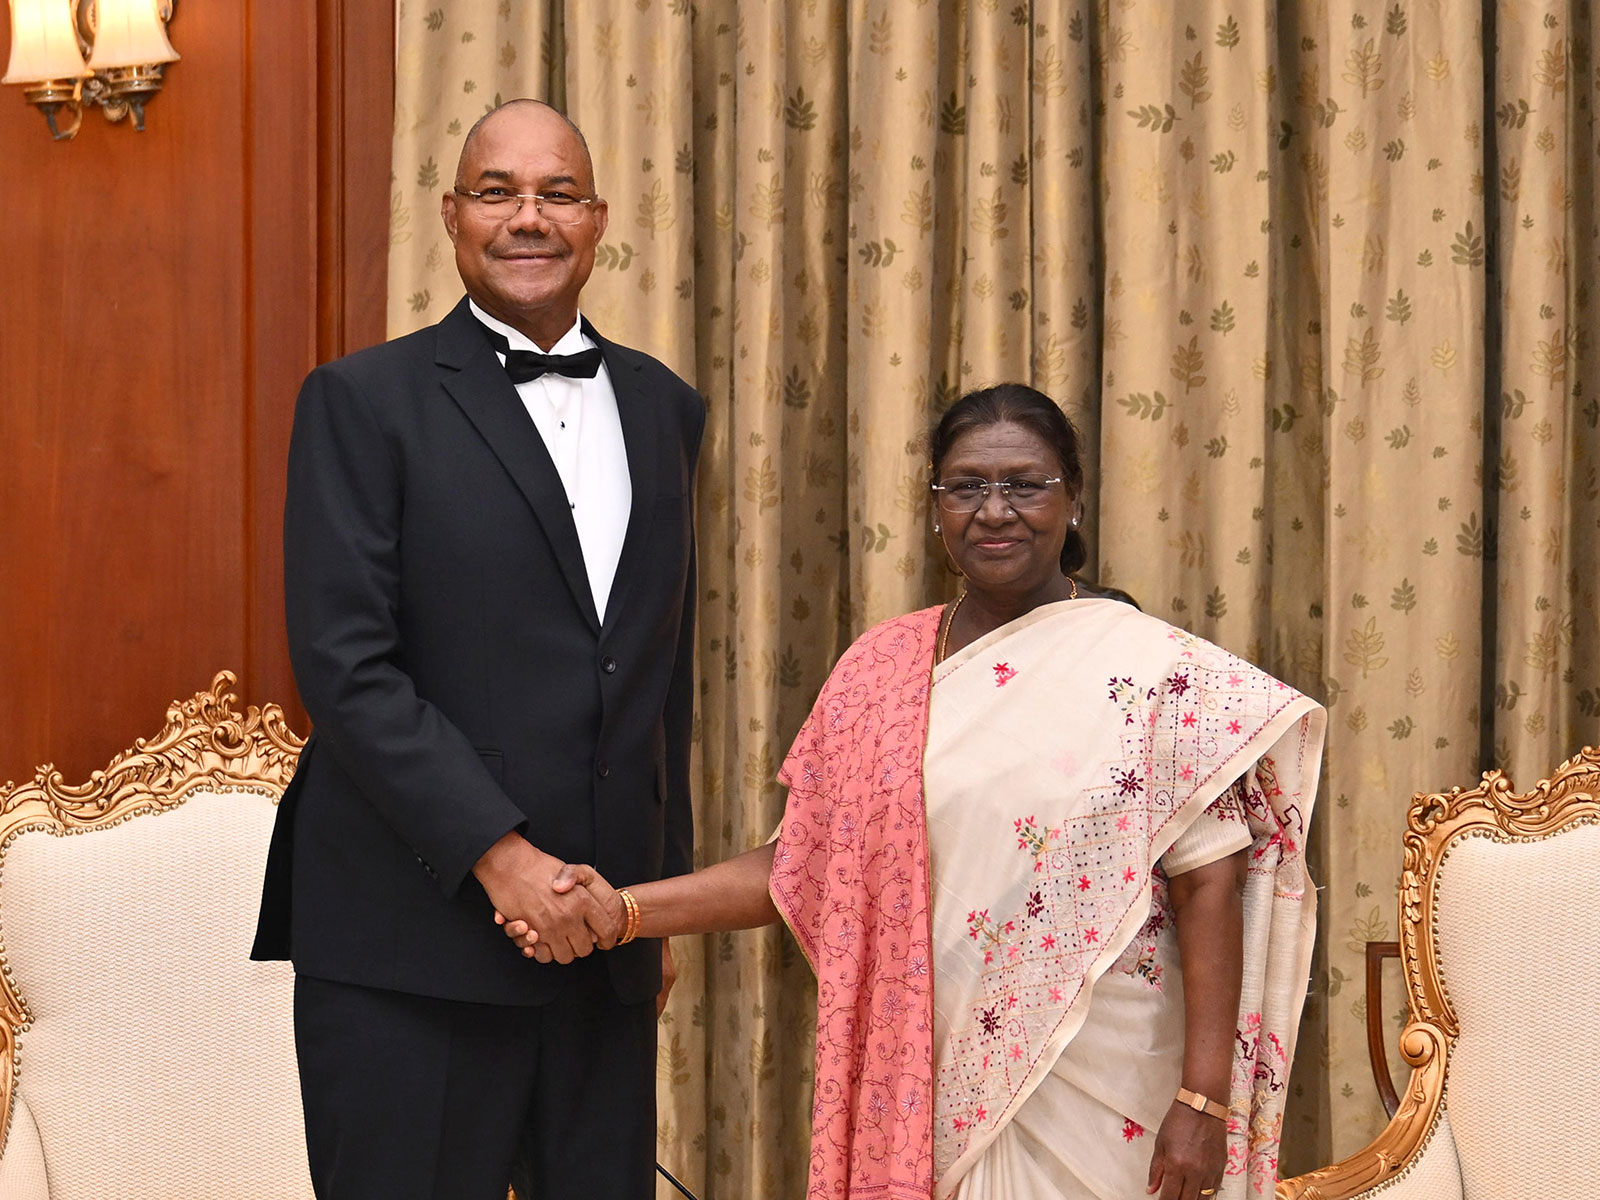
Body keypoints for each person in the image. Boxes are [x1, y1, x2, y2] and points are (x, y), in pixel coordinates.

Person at [506, 384, 1325, 1200]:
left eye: (1025, 484)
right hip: (922, 1080)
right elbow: (800, 863)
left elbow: (1209, 881)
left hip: (1108, 1080)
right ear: (936, 509)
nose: (994, 510)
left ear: (1072, 501)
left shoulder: (1148, 670)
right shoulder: (879, 670)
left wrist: (1203, 1099)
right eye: (966, 486)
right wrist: (623, 912)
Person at [251, 98, 703, 1200]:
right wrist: (506, 863)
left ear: (598, 220)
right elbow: (347, 669)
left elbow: (658, 680)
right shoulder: (361, 401)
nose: (527, 219)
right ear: (451, 217)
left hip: (602, 944)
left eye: (556, 194)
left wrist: (657, 905)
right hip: (412, 945)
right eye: (496, 192)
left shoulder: (666, 408)